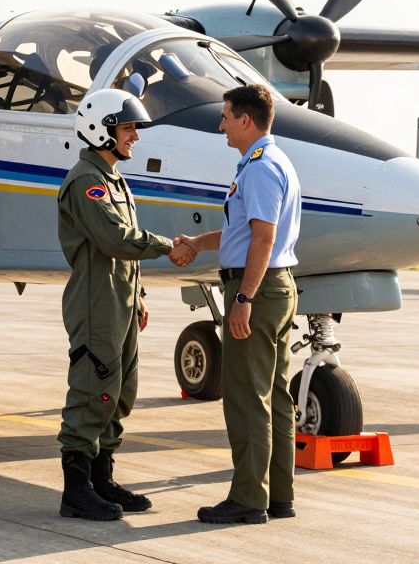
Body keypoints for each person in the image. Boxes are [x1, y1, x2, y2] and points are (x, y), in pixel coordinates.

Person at [56, 88, 197, 521]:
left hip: (119, 300)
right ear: (102, 130)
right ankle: (76, 491)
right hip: (97, 302)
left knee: (120, 393)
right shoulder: (86, 181)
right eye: (128, 127)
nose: (134, 136)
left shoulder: (112, 179)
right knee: (93, 390)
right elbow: (114, 239)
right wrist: (166, 246)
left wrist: (138, 296)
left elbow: (120, 247)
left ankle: (102, 479)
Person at [178, 84, 301, 524]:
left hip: (259, 289)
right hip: (275, 286)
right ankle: (277, 496)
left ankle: (249, 500)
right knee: (275, 398)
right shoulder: (268, 162)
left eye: (227, 116)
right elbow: (244, 234)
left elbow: (263, 238)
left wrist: (244, 297)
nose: (222, 124)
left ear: (246, 120)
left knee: (248, 398)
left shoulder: (261, 168)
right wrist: (198, 242)